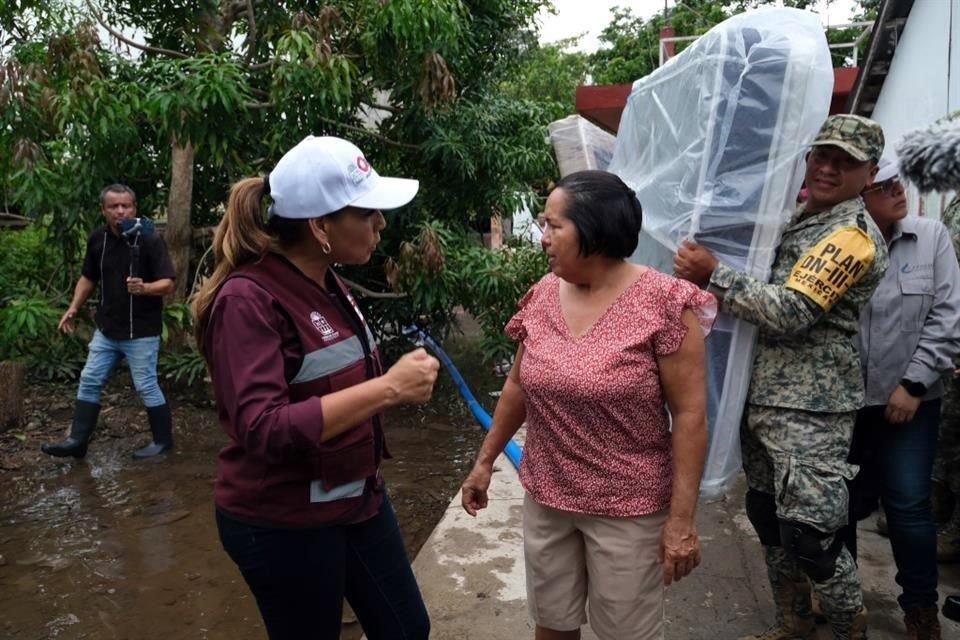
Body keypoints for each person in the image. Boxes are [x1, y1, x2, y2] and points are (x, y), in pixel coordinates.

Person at [191, 135, 438, 640]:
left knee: (408, 628)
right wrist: (389, 389)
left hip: (357, 502)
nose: (381, 224)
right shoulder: (247, 300)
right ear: (321, 226)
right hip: (283, 522)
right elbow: (262, 428)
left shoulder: (329, 282)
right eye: (367, 211)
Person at [461, 170, 714, 640]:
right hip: (547, 497)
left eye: (554, 226)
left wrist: (682, 520)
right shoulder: (541, 296)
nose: (543, 238)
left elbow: (691, 417)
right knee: (552, 624)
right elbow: (517, 385)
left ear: (593, 229)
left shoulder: (664, 303)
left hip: (628, 508)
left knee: (625, 634)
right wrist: (484, 462)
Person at [674, 114, 889, 640]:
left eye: (846, 162)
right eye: (822, 156)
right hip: (765, 399)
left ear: (870, 173)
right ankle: (792, 625)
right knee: (770, 521)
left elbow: (793, 310)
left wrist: (714, 274)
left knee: (812, 537)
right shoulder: (797, 217)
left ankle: (847, 629)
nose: (829, 169)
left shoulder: (851, 236)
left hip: (811, 411)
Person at [840, 158, 960, 639]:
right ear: (860, 197)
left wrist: (912, 385)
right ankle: (845, 608)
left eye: (898, 182)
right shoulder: (838, 244)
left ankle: (920, 611)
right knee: (841, 506)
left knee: (909, 505)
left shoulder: (931, 237)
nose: (898, 190)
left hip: (913, 402)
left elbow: (948, 317)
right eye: (883, 185)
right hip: (845, 405)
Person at [42, 184, 177, 460]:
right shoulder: (97, 240)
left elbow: (168, 283)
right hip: (107, 329)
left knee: (146, 385)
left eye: (126, 205)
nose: (120, 211)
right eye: (114, 206)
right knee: (90, 379)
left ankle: (163, 442)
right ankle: (77, 441)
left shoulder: (150, 240)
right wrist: (73, 307)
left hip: (141, 331)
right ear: (103, 210)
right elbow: (88, 277)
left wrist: (146, 288)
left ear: (134, 208)